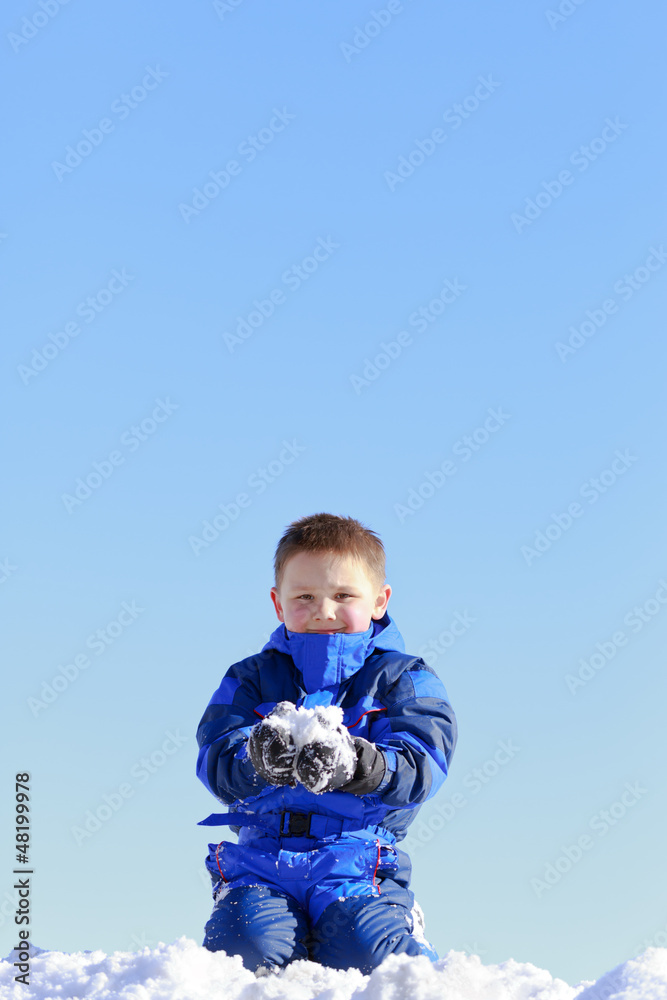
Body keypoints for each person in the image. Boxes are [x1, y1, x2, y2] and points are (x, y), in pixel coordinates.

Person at [196, 512, 457, 974]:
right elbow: (215, 755)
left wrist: (357, 764)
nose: (324, 610)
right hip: (263, 861)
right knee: (243, 946)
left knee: (364, 951)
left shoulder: (404, 678)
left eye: (344, 595)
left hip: (356, 861)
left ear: (379, 600)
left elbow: (426, 762)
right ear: (278, 604)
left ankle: (404, 941)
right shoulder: (250, 679)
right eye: (305, 596)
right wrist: (255, 758)